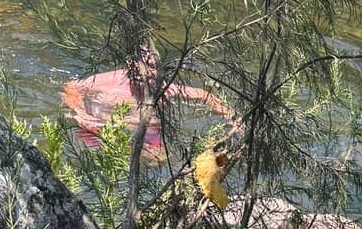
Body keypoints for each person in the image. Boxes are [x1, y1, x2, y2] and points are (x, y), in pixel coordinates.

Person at [61, 45, 234, 153]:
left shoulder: (162, 89)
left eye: (154, 67)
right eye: (145, 66)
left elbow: (204, 95)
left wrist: (230, 115)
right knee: (82, 145)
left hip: (145, 137)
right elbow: (71, 87)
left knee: (162, 159)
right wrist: (82, 113)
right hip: (100, 130)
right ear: (130, 64)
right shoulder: (109, 81)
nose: (150, 72)